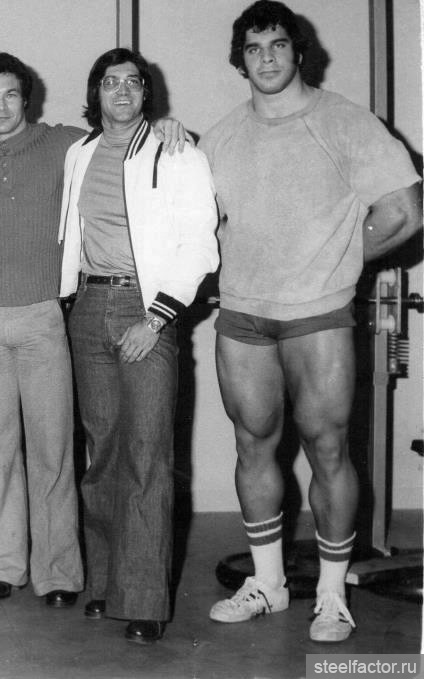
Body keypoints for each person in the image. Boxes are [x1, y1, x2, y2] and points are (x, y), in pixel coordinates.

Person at [199, 0, 421, 643]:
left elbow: (404, 211)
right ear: (240, 60)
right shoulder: (221, 136)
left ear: (298, 52)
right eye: (253, 49)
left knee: (328, 447)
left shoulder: (345, 121)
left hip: (317, 314)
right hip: (243, 314)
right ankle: (267, 583)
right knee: (251, 443)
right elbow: (195, 226)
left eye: (277, 45)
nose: (266, 58)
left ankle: (331, 595)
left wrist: (337, 259)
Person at [0, 52, 186, 607]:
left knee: (54, 453)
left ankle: (57, 572)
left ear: (26, 98)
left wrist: (168, 127)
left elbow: (124, 133)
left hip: (45, 319)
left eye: (11, 94)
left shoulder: (65, 145)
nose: (1, 106)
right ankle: (1, 564)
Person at [58, 48, 219, 643]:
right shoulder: (78, 153)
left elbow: (201, 245)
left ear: (146, 93)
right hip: (87, 307)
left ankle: (145, 599)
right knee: (101, 453)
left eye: (132, 82)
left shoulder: (178, 153)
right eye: (110, 82)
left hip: (145, 310)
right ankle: (105, 584)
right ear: (95, 93)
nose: (121, 92)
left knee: (147, 456)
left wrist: (155, 318)